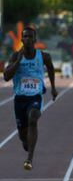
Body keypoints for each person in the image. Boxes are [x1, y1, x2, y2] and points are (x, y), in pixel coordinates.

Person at [3, 26, 58, 170]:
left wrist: (53, 88)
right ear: (21, 40)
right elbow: (7, 76)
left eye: (30, 36)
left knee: (33, 119)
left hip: (35, 96)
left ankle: (29, 159)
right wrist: (17, 62)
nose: (27, 39)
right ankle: (27, 143)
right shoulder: (15, 56)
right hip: (20, 99)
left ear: (35, 39)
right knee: (23, 136)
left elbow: (51, 69)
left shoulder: (44, 56)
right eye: (25, 37)